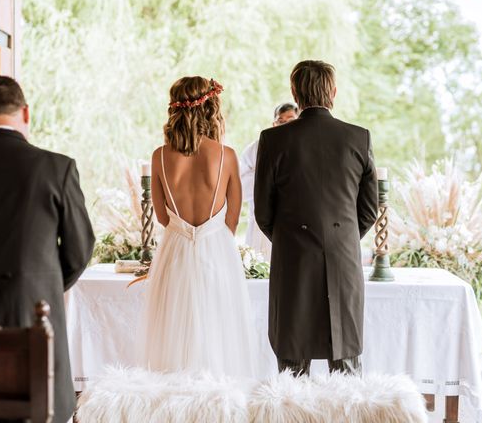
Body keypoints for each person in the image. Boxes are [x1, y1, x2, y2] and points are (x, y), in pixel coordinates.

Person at [0, 75, 95, 423]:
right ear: (25, 113)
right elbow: (80, 249)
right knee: (38, 407)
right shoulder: (57, 168)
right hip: (35, 314)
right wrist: (40, 285)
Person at [254, 60, 377, 376]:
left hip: (293, 259)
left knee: (293, 367)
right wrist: (340, 237)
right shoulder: (358, 138)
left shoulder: (273, 140)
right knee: (346, 364)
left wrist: (293, 239)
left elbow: (263, 212)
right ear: (333, 92)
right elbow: (368, 210)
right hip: (344, 256)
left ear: (295, 93)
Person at [141, 76, 256, 377]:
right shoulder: (226, 155)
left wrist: (184, 231)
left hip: (175, 248)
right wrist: (210, 235)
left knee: (173, 327)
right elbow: (233, 216)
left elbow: (163, 217)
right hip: (216, 249)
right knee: (218, 327)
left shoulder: (159, 157)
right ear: (210, 109)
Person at [240, 103, 298, 260]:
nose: (285, 125)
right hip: (260, 223)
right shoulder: (257, 148)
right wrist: (269, 180)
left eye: (291, 120)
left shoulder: (303, 148)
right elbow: (240, 187)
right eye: (281, 121)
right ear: (274, 123)